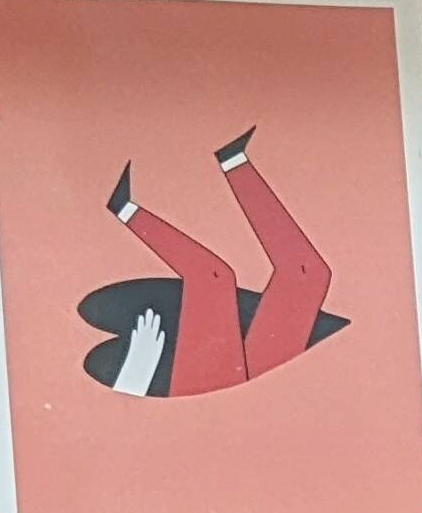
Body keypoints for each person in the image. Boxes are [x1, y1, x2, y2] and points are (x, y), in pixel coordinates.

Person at [87, 131, 341, 397]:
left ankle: (228, 163)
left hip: (211, 387)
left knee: (291, 273)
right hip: (211, 387)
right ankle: (230, 162)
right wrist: (136, 373)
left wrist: (136, 374)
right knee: (300, 273)